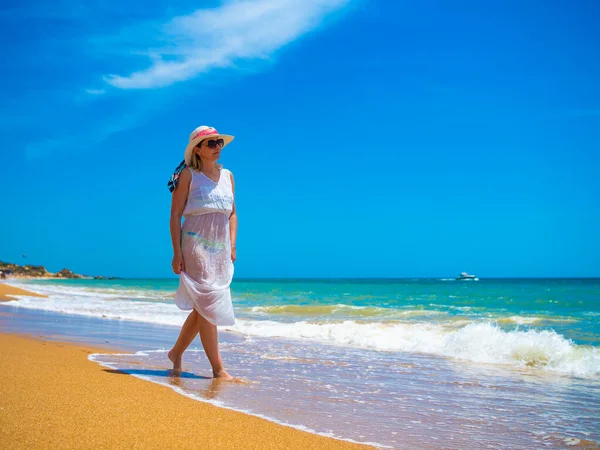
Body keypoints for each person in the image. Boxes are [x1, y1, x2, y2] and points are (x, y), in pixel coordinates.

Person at [167, 125, 238, 381]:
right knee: (208, 303)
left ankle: (176, 353)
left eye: (219, 142)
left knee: (203, 306)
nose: (217, 146)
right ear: (198, 149)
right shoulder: (188, 175)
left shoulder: (228, 176)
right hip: (195, 243)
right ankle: (218, 370)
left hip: (219, 248)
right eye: (211, 143)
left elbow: (232, 214)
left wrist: (231, 245)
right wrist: (177, 252)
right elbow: (175, 215)